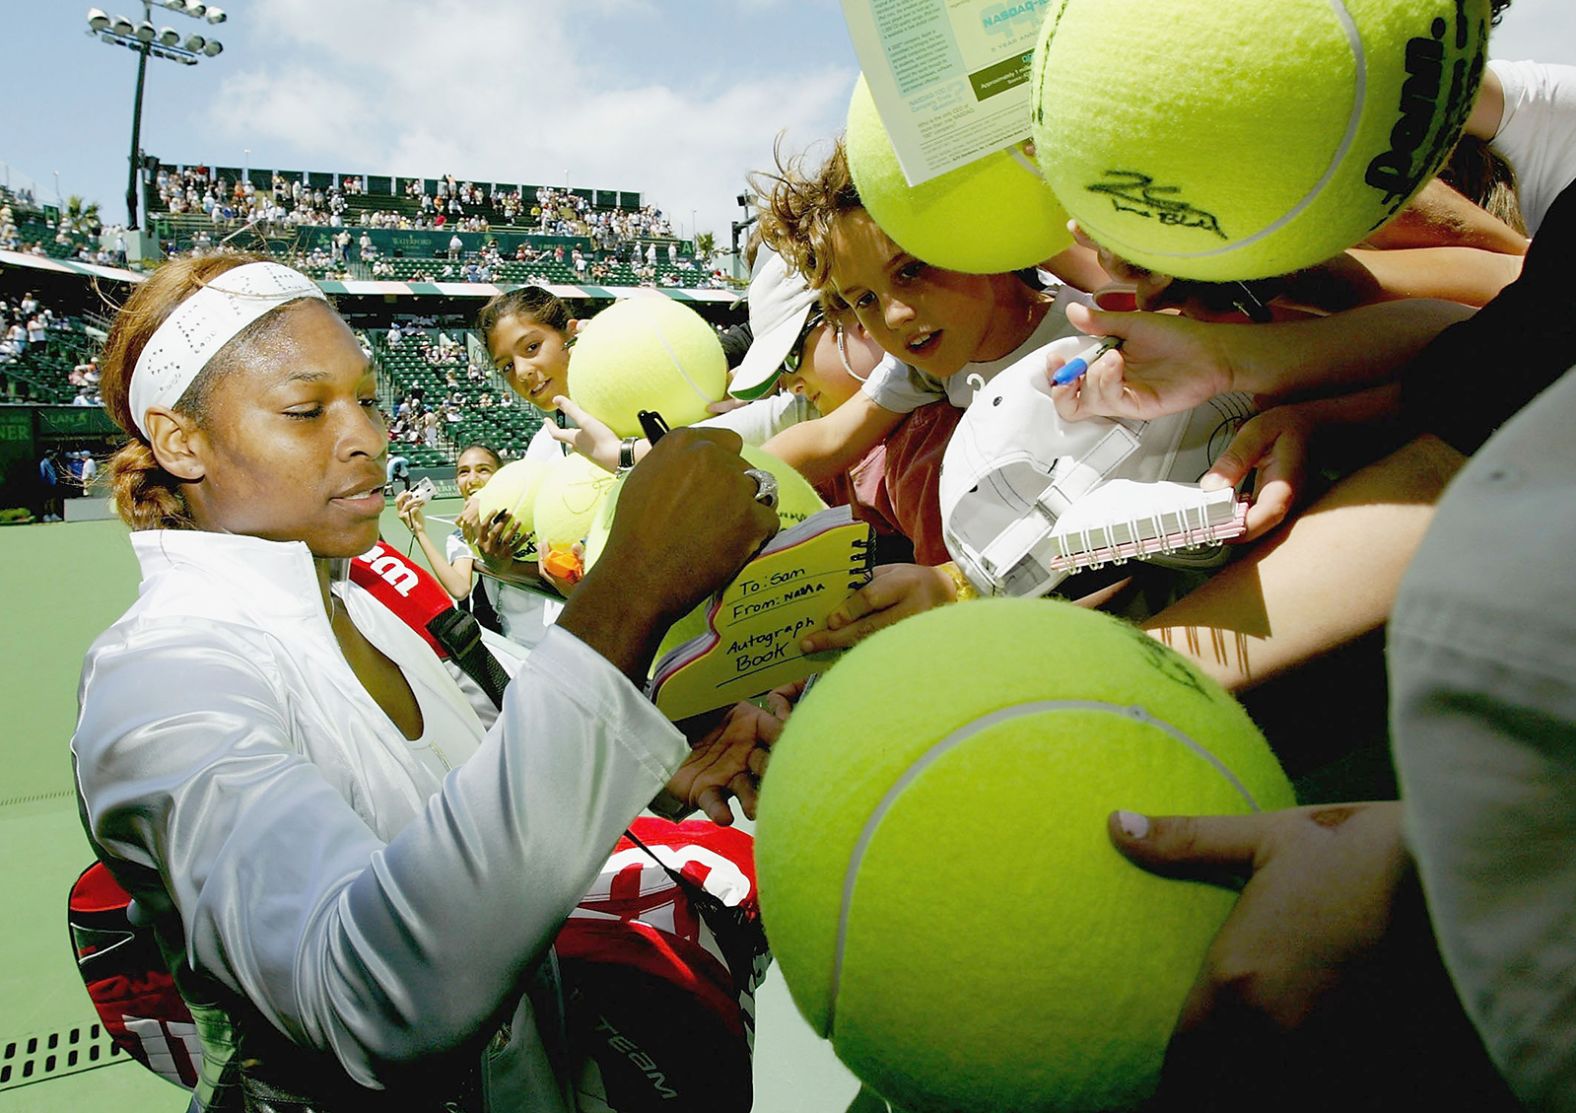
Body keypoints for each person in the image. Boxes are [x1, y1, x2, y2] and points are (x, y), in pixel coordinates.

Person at [71, 255, 783, 1111]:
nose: (367, 434)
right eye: (306, 410)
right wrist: (628, 587)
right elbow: (372, 998)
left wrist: (652, 768)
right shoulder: (158, 675)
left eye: (367, 399)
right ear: (181, 441)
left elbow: (487, 804)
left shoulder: (370, 607)